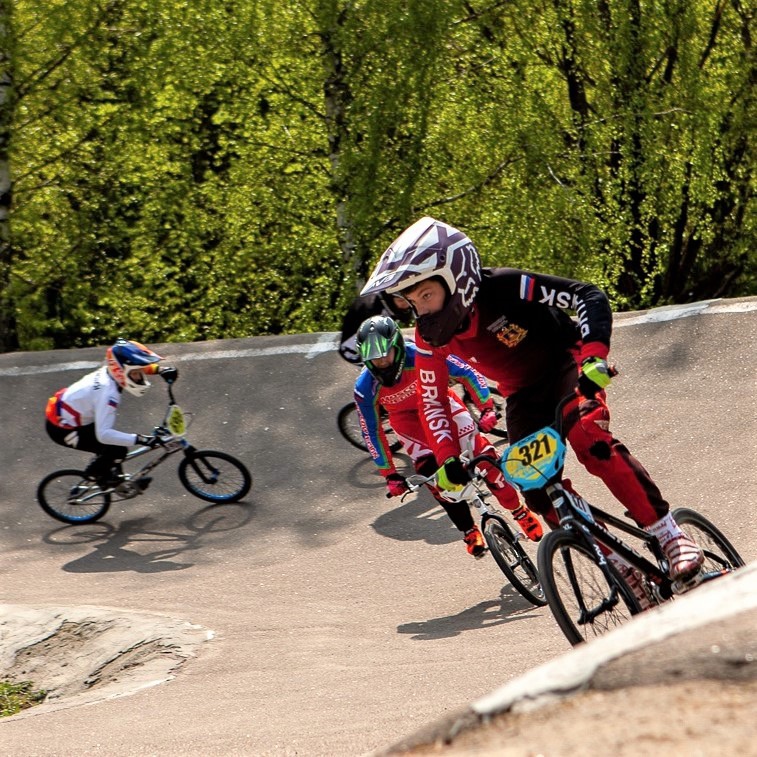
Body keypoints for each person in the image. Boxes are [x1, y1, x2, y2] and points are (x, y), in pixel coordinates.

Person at [360, 216, 704, 593]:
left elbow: (586, 296)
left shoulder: (504, 287)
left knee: (590, 438)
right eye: (412, 302)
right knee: (535, 487)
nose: (421, 310)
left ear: (455, 278)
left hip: (566, 364)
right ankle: (621, 566)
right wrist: (447, 459)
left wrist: (594, 357)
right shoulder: (428, 339)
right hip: (522, 394)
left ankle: (669, 535)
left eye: (426, 295)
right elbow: (433, 403)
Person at [353, 314, 543, 557]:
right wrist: (389, 474)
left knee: (485, 459)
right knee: (434, 479)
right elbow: (371, 431)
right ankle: (469, 531)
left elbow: (466, 371)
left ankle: (519, 511)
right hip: (408, 423)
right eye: (374, 360)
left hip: (441, 405)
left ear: (398, 347)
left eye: (385, 356)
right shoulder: (364, 388)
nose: (382, 364)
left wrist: (485, 406)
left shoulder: (421, 354)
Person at [45, 338, 178, 489]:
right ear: (122, 372)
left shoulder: (112, 371)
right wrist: (142, 439)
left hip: (69, 413)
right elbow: (104, 434)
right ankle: (95, 476)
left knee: (113, 449)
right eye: (136, 374)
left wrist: (159, 369)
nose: (140, 377)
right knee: (117, 449)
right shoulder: (108, 394)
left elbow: (134, 366)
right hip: (63, 430)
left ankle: (113, 477)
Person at [338, 292, 413, 364]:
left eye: (408, 299)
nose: (406, 305)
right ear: (389, 299)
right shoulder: (376, 314)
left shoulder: (381, 298)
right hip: (353, 354)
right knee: (408, 345)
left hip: (367, 347)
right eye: (401, 300)